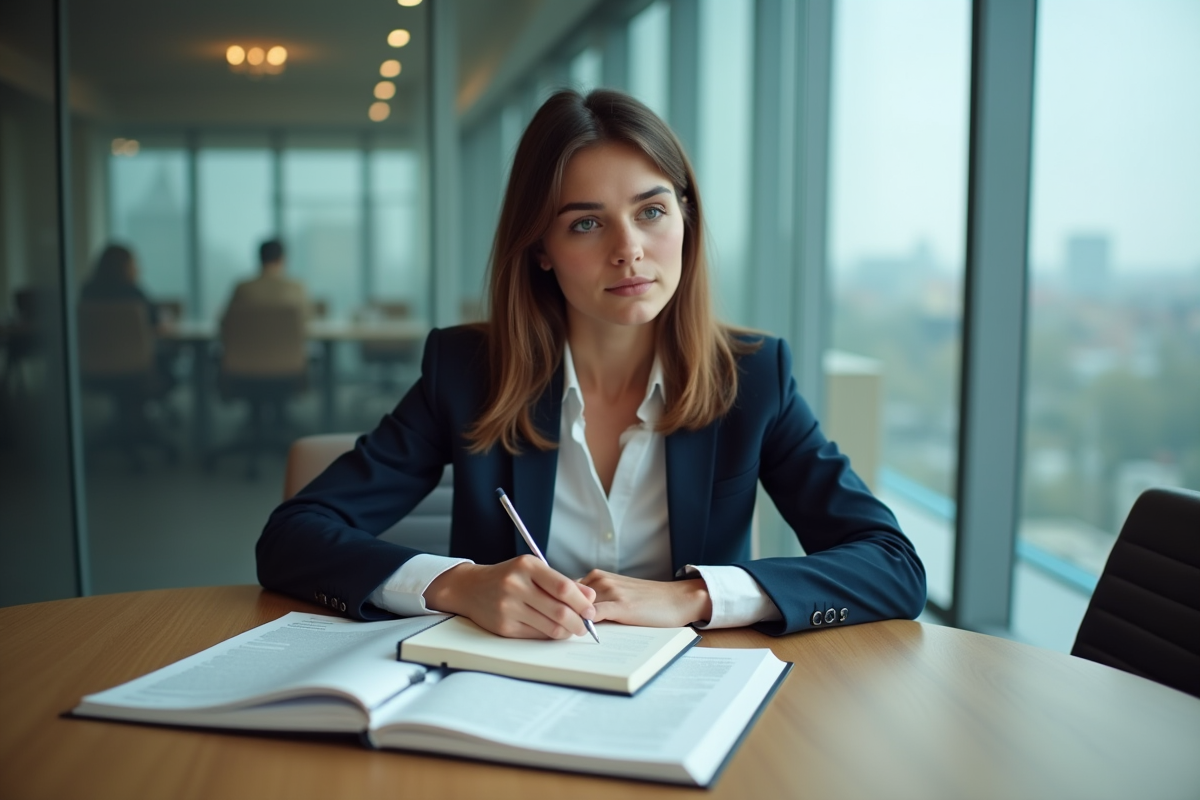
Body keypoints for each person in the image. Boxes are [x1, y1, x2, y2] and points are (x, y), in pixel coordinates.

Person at [256, 89, 925, 638]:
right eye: (586, 223)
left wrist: (693, 597)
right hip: (503, 691)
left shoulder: (752, 377)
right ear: (540, 249)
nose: (628, 249)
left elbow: (893, 566)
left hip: (689, 698)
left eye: (651, 211)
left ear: (686, 220)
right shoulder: (467, 371)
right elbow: (291, 538)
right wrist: (457, 584)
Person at [223, 239, 309, 316]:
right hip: (288, 330)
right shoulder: (296, 288)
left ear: (260, 258)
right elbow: (306, 319)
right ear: (282, 259)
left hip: (253, 329)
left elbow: (226, 321)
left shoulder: (243, 288)